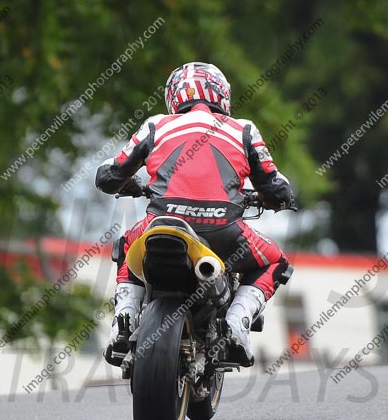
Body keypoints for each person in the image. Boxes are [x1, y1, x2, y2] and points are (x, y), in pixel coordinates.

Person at [95, 62, 293, 367]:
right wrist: (270, 197)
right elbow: (276, 186)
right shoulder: (244, 129)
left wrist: (130, 183)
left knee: (126, 248)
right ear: (222, 95)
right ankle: (237, 323)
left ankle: (124, 319)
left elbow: (109, 176)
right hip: (225, 231)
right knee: (276, 260)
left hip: (159, 223)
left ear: (174, 97)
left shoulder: (156, 125)